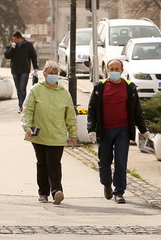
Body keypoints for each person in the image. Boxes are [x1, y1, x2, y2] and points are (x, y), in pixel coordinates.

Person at [87, 58, 150, 204]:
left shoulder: (130, 87)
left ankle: (119, 192)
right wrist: (91, 129)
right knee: (104, 162)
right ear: (107, 70)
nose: (114, 72)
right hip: (105, 131)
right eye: (111, 69)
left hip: (123, 131)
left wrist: (143, 130)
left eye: (117, 69)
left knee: (121, 162)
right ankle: (107, 183)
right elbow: (92, 109)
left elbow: (137, 111)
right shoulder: (100, 87)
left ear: (122, 71)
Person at [22, 60, 77, 205]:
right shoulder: (36, 90)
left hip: (57, 135)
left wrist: (73, 134)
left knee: (54, 162)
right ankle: (43, 192)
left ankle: (57, 191)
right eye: (50, 73)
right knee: (42, 163)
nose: (53, 76)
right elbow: (27, 110)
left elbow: (70, 116)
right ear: (44, 74)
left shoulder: (64, 94)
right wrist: (27, 127)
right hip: (38, 134)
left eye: (55, 74)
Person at [4, 31, 39, 112]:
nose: (14, 41)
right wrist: (12, 48)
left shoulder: (28, 45)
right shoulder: (12, 45)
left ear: (19, 38)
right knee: (18, 89)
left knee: (22, 88)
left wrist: (35, 68)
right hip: (15, 70)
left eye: (15, 39)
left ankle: (23, 106)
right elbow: (7, 56)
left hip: (24, 70)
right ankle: (20, 105)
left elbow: (33, 56)